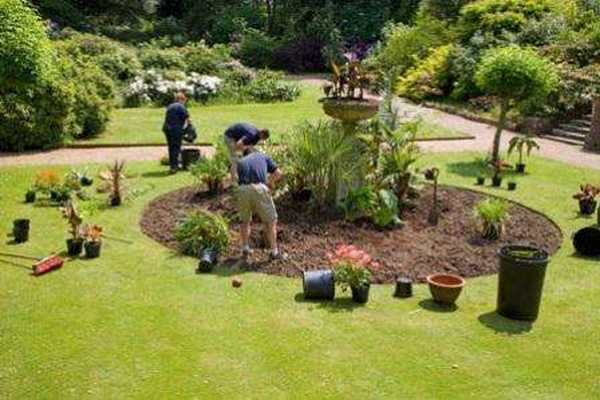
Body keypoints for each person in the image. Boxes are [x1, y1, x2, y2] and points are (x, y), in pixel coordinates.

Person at [236, 149, 285, 260]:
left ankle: (245, 248)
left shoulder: (241, 162)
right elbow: (278, 173)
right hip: (259, 188)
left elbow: (235, 178)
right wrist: (269, 182)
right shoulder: (263, 156)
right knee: (271, 221)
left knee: (245, 221)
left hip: (242, 189)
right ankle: (274, 252)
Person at [162, 92, 190, 174]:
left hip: (167, 128)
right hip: (175, 129)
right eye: (184, 100)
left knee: (171, 147)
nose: (184, 102)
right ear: (181, 99)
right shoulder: (181, 107)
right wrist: (190, 129)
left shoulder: (170, 106)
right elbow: (188, 119)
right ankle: (174, 168)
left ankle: (173, 165)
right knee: (176, 148)